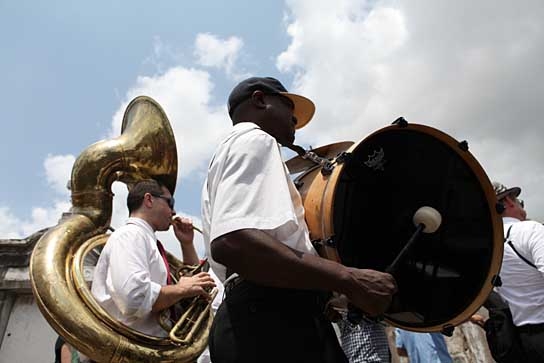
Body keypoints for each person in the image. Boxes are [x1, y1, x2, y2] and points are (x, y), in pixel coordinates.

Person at [201, 76, 397, 363]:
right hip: (271, 320)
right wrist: (349, 278)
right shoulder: (256, 139)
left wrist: (323, 291)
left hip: (258, 317)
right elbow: (232, 241)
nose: (294, 119)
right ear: (259, 100)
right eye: (288, 106)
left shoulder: (229, 150)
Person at [91, 179, 215, 337]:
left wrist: (187, 244)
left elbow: (196, 288)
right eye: (170, 203)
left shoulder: (146, 239)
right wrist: (181, 289)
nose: (174, 211)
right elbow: (133, 299)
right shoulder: (131, 235)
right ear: (149, 200)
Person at [489, 181, 544, 362]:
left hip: (526, 343)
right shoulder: (530, 230)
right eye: (520, 201)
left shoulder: (488, 249)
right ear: (509, 201)